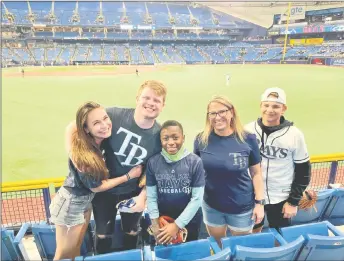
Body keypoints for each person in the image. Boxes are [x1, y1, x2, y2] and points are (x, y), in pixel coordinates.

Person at [66, 80, 167, 254]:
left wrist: (142, 197)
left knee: (132, 231)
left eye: (157, 100)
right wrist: (75, 156)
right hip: (104, 190)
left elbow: (154, 172)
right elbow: (73, 127)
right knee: (103, 234)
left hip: (132, 192)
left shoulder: (160, 136)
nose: (151, 103)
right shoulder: (113, 115)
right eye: (146, 98)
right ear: (137, 98)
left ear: (163, 105)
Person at [50, 102, 142, 260]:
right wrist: (128, 176)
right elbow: (97, 187)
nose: (105, 124)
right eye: (96, 123)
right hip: (70, 203)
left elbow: (72, 125)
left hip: (83, 203)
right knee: (63, 253)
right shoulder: (84, 154)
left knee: (76, 247)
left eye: (105, 118)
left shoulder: (97, 141)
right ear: (86, 129)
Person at [194, 95, 264, 248]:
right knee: (219, 245)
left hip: (241, 208)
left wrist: (260, 203)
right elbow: (196, 172)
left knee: (241, 248)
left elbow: (256, 174)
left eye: (222, 112)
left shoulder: (248, 139)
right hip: (211, 206)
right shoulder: (201, 139)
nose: (217, 117)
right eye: (213, 113)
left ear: (231, 112)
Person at [245, 87, 311, 233]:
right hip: (252, 196)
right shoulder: (247, 130)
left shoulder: (294, 134)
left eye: (276, 106)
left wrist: (293, 201)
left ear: (284, 108)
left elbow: (303, 171)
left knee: (281, 234)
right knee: (252, 232)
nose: (270, 110)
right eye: (266, 105)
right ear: (260, 106)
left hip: (282, 197)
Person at [146, 120, 205, 245]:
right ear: (160, 140)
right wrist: (155, 224)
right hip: (163, 220)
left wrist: (177, 225)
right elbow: (151, 196)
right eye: (165, 138)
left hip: (190, 221)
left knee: (188, 252)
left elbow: (197, 199)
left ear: (183, 138)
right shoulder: (153, 162)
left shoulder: (195, 162)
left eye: (175, 138)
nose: (171, 142)